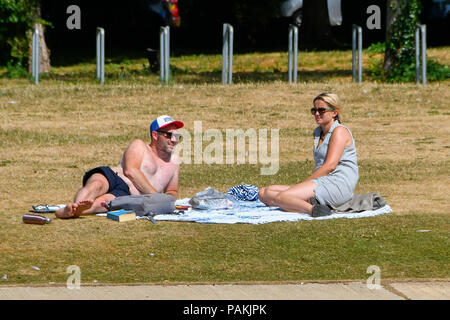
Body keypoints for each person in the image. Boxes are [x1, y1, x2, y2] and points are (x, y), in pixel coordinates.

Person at [55, 115, 184, 219]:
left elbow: (172, 191)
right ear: (155, 135)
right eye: (168, 135)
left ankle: (70, 211)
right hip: (115, 177)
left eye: (177, 136)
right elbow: (130, 171)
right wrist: (156, 196)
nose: (174, 140)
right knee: (96, 185)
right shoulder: (140, 146)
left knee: (102, 204)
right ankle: (77, 204)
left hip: (127, 195)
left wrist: (166, 202)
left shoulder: (174, 162)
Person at [258, 92, 358, 217]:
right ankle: (303, 200)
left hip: (337, 183)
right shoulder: (318, 132)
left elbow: (330, 166)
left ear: (334, 112)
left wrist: (302, 185)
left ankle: (313, 210)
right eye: (314, 110)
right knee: (263, 193)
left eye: (321, 110)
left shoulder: (339, 131)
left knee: (282, 197)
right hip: (321, 181)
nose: (317, 114)